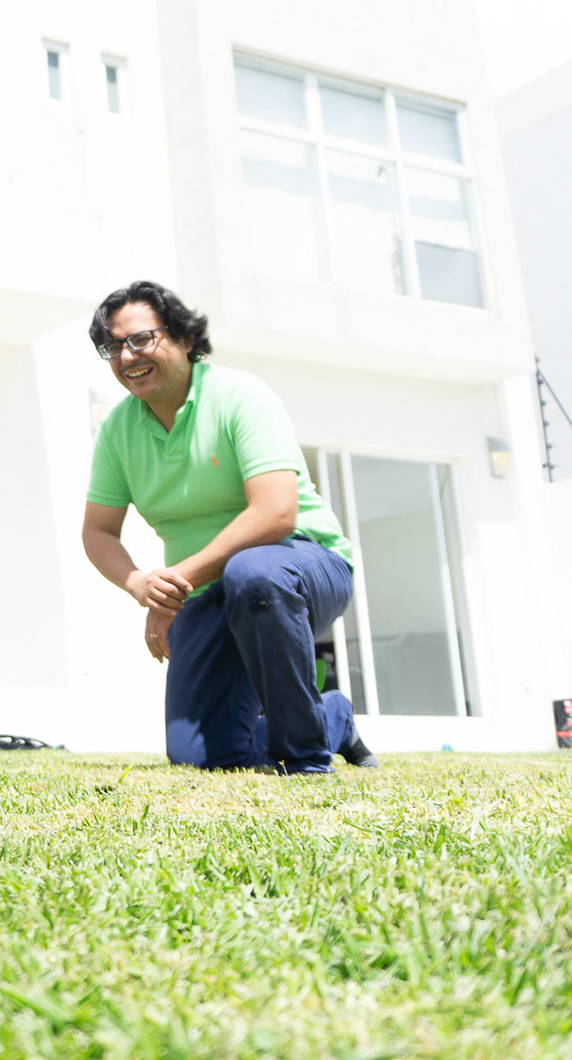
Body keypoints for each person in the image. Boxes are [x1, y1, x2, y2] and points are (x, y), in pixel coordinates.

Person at [79, 280, 377, 774]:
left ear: (184, 338)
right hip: (205, 591)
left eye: (140, 339)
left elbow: (275, 513)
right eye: (112, 347)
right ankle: (332, 717)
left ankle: (305, 760)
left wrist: (174, 585)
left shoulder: (241, 395)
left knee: (253, 573)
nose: (127, 356)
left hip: (302, 563)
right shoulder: (117, 431)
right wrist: (142, 585)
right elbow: (97, 532)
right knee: (199, 756)